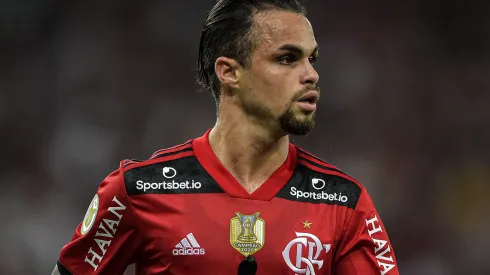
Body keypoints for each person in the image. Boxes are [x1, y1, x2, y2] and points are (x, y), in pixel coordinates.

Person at [52, 0, 399, 274]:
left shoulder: (345, 203)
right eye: (288, 58)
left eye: (312, 59)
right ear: (230, 72)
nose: (311, 75)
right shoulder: (138, 190)